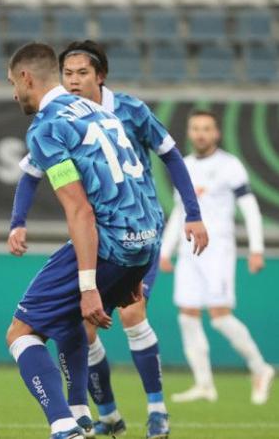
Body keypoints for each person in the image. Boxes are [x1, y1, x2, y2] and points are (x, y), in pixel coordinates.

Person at [5, 42, 161, 439]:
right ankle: (81, 416)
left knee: (21, 333)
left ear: (27, 78)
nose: (13, 94)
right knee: (70, 320)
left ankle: (64, 428)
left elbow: (80, 210)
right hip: (143, 237)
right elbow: (141, 180)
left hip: (109, 241)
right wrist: (137, 265)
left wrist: (89, 285)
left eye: (12, 84)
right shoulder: (97, 110)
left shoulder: (46, 127)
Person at [58, 40, 208, 438]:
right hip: (99, 235)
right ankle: (109, 416)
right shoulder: (63, 118)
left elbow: (172, 154)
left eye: (82, 73)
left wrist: (193, 214)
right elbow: (34, 170)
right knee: (84, 325)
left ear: (100, 75)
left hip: (141, 230)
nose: (73, 81)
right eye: (67, 74)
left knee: (131, 313)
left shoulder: (130, 109)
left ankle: (158, 411)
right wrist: (18, 220)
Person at [160, 109, 275, 405]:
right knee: (187, 317)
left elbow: (250, 209)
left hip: (217, 251)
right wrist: (165, 250)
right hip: (188, 253)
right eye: (195, 128)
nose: (200, 133)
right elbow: (179, 212)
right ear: (189, 132)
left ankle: (260, 368)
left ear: (216, 133)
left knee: (220, 318)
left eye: (206, 128)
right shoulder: (182, 165)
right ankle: (204, 385)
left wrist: (257, 249)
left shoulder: (230, 165)